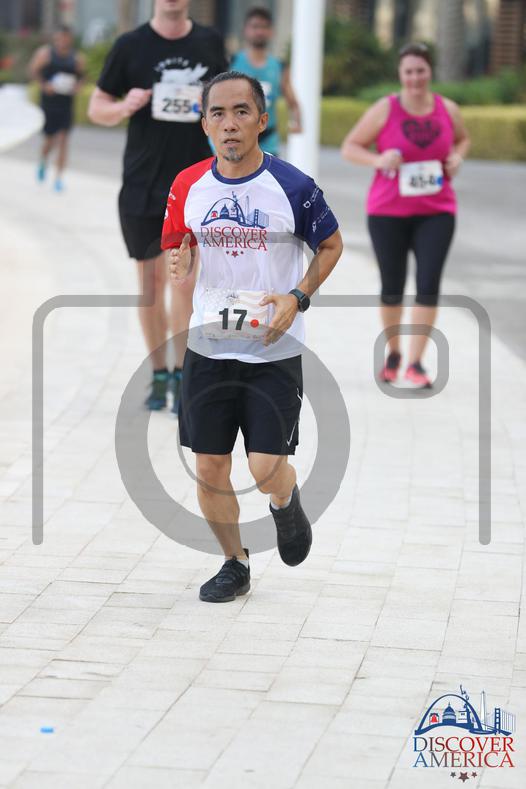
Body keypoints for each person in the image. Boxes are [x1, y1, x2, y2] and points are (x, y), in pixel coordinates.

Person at [162, 72, 343, 602]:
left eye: (241, 111)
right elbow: (178, 247)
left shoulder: (293, 187)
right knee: (210, 467)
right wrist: (181, 261)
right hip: (209, 346)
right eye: (217, 113)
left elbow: (332, 245)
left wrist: (298, 296)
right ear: (204, 124)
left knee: (265, 469)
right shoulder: (187, 185)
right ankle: (233, 563)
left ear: (262, 120)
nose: (229, 124)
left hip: (272, 348)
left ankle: (285, 502)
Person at [88, 0, 227, 414]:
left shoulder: (209, 42)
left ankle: (183, 374)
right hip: (142, 185)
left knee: (183, 283)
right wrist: (124, 106)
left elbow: (228, 105)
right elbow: (97, 108)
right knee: (151, 286)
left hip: (193, 186)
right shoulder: (130, 45)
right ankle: (159, 372)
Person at [341, 42, 470, 388]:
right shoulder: (385, 109)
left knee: (428, 284)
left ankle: (415, 363)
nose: (415, 78)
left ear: (430, 72)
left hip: (437, 211)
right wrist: (378, 160)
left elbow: (463, 140)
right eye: (408, 71)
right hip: (388, 212)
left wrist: (457, 157)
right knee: (392, 286)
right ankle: (395, 353)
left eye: (420, 71)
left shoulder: (447, 109)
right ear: (400, 74)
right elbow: (350, 147)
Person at [230, 6, 302, 157]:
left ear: (271, 32)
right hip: (237, 137)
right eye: (255, 26)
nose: (259, 31)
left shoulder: (279, 67)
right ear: (246, 30)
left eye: (264, 27)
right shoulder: (232, 62)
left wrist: (296, 122)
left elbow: (293, 102)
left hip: (268, 139)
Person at [28, 25, 86, 192]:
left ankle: (59, 178)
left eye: (66, 38)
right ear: (55, 38)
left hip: (66, 103)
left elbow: (82, 77)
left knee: (63, 140)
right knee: (49, 140)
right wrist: (44, 85)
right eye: (60, 38)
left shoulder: (77, 58)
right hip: (49, 103)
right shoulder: (45, 54)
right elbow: (33, 72)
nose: (63, 41)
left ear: (70, 39)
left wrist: (78, 86)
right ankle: (43, 161)